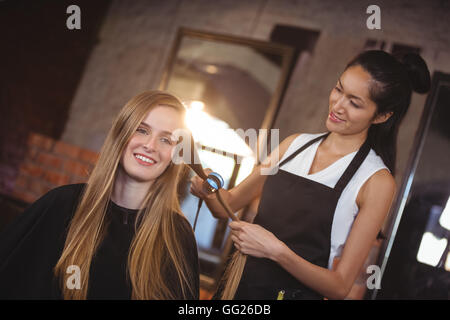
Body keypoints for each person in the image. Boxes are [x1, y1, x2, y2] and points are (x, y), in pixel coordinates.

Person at [190, 50, 431, 299]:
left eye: (354, 103)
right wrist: (209, 191)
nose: (337, 106)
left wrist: (276, 251)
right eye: (338, 90)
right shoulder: (293, 146)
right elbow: (226, 205)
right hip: (238, 288)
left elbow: (338, 287)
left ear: (382, 116)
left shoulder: (376, 180)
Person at [0, 91, 199, 300]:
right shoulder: (61, 205)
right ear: (120, 135)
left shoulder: (177, 236)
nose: (150, 146)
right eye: (141, 130)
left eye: (166, 140)